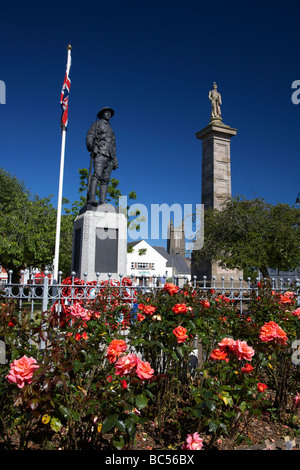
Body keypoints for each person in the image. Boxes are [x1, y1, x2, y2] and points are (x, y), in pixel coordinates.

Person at [86, 107, 118, 205]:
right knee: (97, 175)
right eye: (106, 113)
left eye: (110, 113)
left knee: (106, 179)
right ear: (102, 114)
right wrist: (91, 145)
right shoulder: (97, 124)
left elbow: (113, 144)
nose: (109, 114)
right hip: (100, 152)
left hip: (110, 155)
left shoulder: (111, 128)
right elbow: (90, 135)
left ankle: (102, 201)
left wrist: (115, 159)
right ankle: (91, 198)